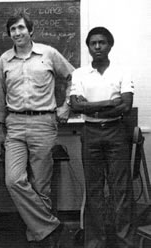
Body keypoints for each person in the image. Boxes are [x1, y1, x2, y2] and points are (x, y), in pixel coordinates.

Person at [0, 13, 74, 248]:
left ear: (31, 31)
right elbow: (0, 95)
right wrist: (1, 128)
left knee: (41, 185)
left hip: (43, 123)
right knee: (13, 180)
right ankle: (52, 227)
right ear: (9, 33)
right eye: (13, 29)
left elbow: (74, 77)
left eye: (21, 28)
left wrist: (67, 105)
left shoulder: (48, 54)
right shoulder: (4, 60)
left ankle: (38, 238)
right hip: (15, 125)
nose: (17, 33)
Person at [70, 27, 136, 248]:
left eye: (102, 42)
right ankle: (95, 243)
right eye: (93, 43)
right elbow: (76, 106)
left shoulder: (122, 72)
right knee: (94, 190)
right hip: (90, 133)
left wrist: (90, 107)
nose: (97, 47)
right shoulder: (79, 73)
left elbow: (126, 106)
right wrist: (109, 103)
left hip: (117, 133)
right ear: (88, 47)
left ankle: (124, 242)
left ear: (110, 45)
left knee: (121, 190)